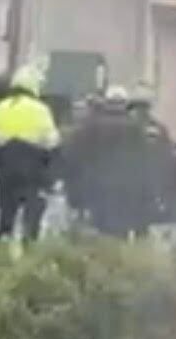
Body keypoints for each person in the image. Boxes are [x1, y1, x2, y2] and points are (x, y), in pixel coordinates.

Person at [61, 84, 158, 238]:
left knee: (101, 229)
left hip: (98, 186)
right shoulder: (136, 128)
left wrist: (74, 186)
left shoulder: (90, 126)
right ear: (125, 104)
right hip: (127, 187)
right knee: (122, 229)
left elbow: (74, 154)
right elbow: (145, 159)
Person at [0, 64, 60, 243]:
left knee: (6, 215)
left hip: (6, 170)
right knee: (32, 218)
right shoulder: (41, 110)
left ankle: (1, 251)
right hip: (32, 171)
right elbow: (53, 143)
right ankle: (29, 250)